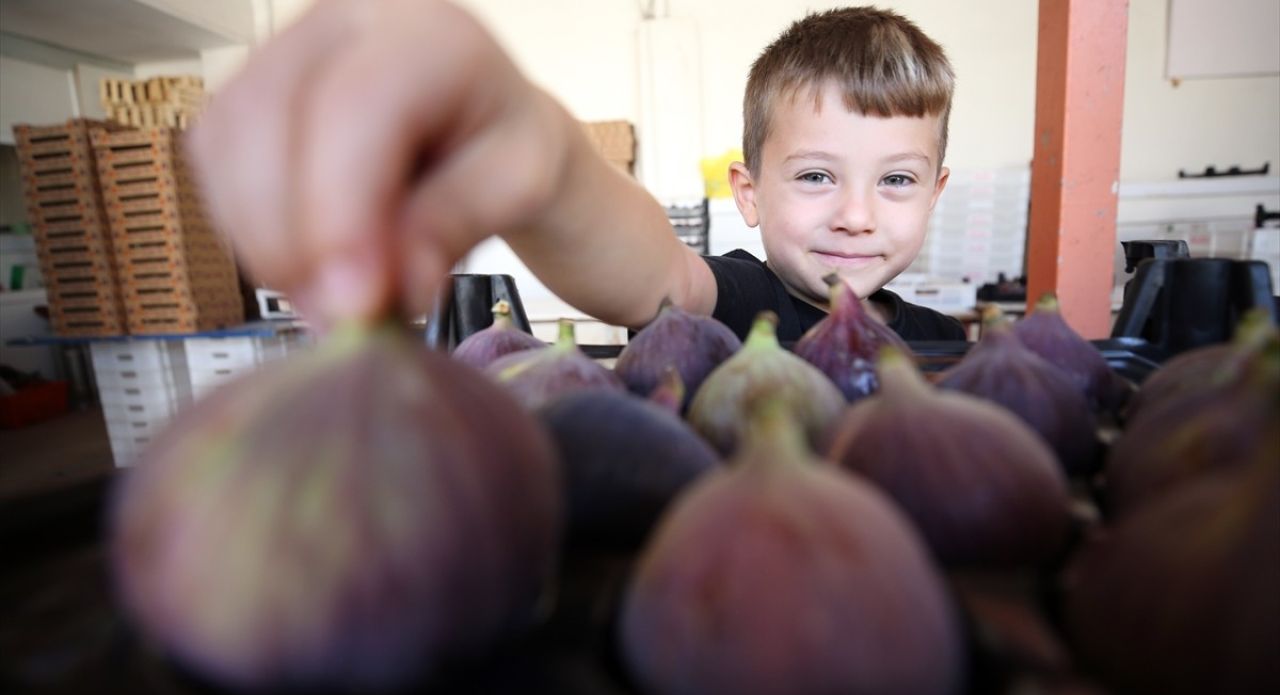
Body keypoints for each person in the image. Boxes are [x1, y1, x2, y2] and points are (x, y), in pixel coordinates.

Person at [189, 1, 966, 342]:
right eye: (817, 177)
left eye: (895, 180)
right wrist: (546, 158)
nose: (857, 215)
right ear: (748, 194)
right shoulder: (744, 306)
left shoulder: (948, 342)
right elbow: (654, 276)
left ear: (935, 191)